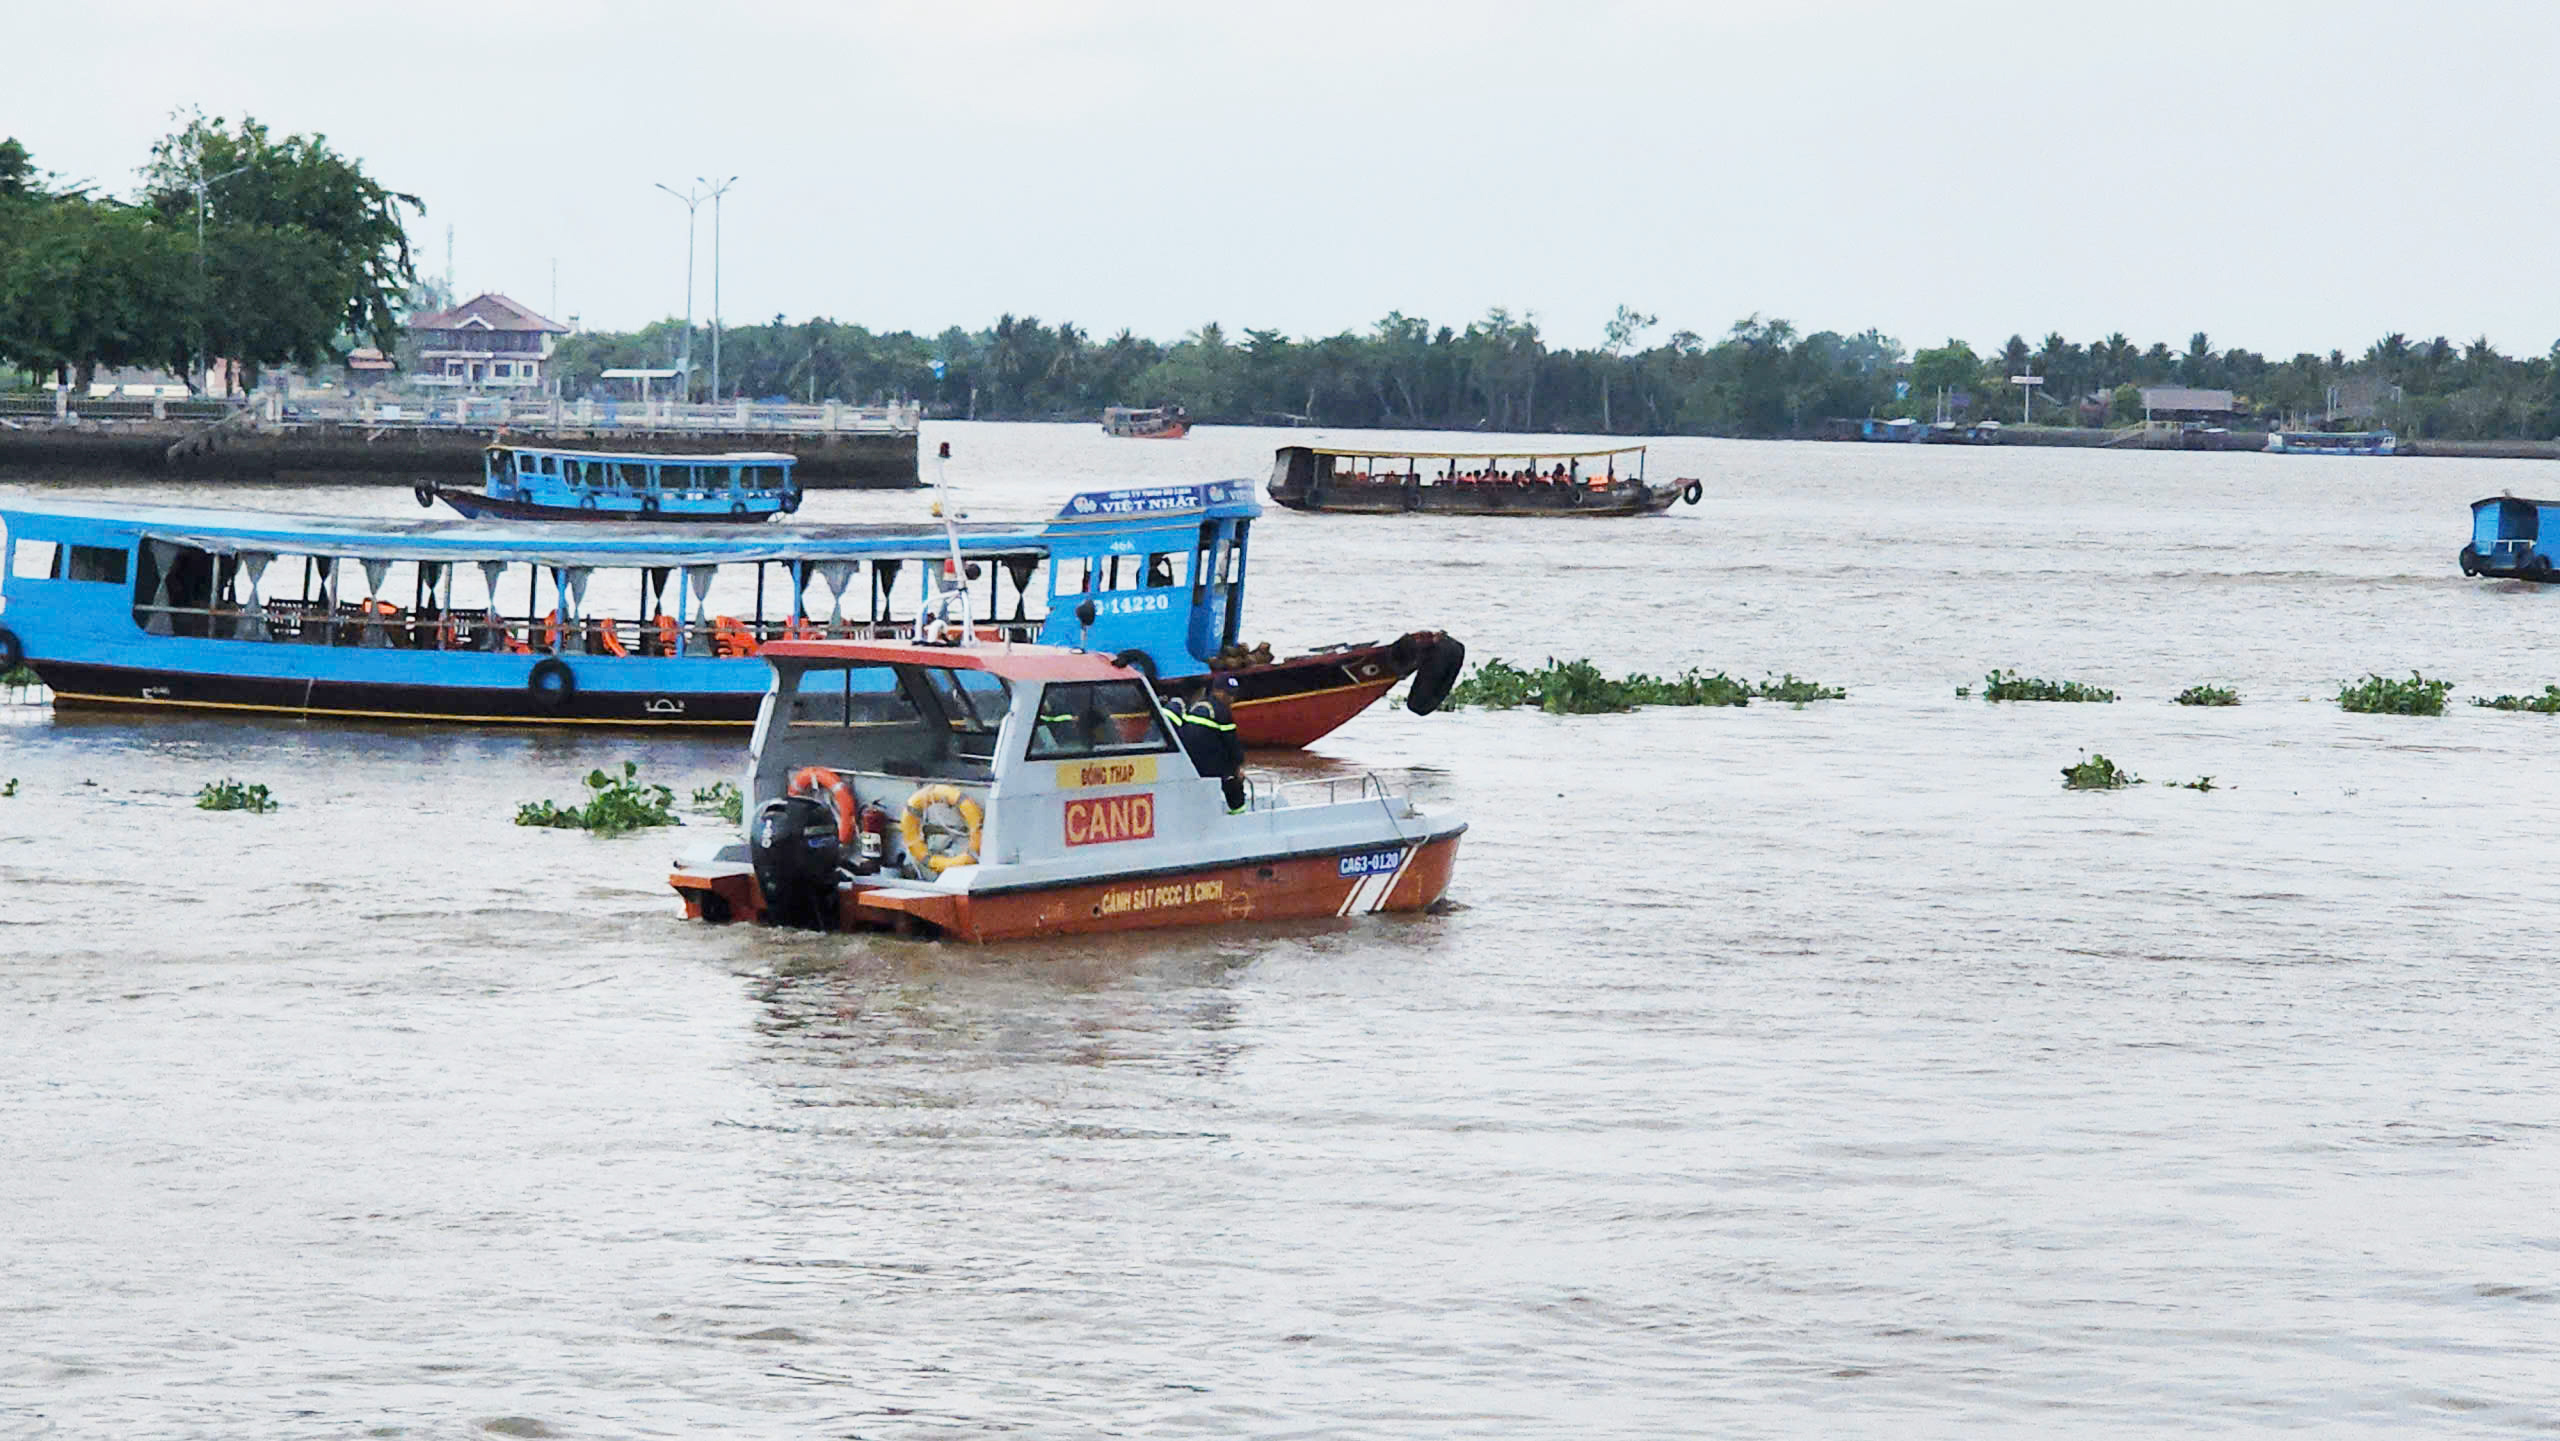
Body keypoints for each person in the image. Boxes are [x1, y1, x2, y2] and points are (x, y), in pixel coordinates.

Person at [1160, 678, 1248, 813]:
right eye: (1228, 694)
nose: (1231, 699)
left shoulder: (1197, 707)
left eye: (1233, 695)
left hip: (1189, 762)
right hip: (1208, 763)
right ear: (1216, 692)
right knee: (1231, 775)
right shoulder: (1222, 712)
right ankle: (1238, 811)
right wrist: (1239, 766)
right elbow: (1232, 743)